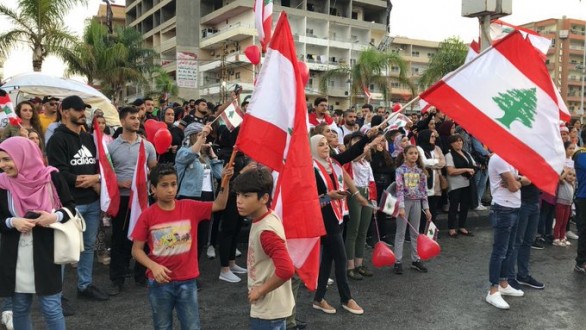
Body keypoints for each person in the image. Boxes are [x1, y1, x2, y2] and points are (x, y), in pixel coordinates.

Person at [131, 163, 231, 330]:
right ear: (153, 189)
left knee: (192, 326)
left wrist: (226, 182)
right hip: (159, 283)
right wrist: (153, 266)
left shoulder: (189, 207)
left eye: (173, 184)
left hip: (187, 281)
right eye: (164, 185)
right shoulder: (147, 215)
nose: (170, 189)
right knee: (162, 326)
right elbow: (136, 250)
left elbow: (219, 204)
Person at [0, 137, 76, 330]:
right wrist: (12, 221)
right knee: (20, 307)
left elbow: (70, 209)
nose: (3, 165)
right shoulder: (2, 184)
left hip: (47, 251)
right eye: (1, 160)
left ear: (23, 156)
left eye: (7, 159)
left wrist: (54, 217)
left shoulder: (52, 177)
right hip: (15, 255)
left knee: (51, 307)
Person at [46, 95, 110, 305]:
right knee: (64, 250)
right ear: (65, 112)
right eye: (78, 109)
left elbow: (99, 167)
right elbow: (57, 172)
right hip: (69, 204)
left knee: (89, 246)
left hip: (92, 201)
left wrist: (96, 179)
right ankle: (56, 294)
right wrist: (79, 180)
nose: (83, 113)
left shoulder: (89, 138)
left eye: (84, 109)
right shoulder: (57, 139)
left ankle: (85, 285)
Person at [231, 168, 295, 330]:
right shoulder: (267, 216)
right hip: (273, 308)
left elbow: (286, 269)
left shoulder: (265, 230)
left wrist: (260, 291)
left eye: (246, 196)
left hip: (268, 310)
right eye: (238, 195)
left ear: (264, 198)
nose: (239, 200)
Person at [310, 134, 365, 315]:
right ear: (312, 148)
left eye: (326, 144)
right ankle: (346, 298)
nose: (325, 147)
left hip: (338, 215)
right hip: (324, 219)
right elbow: (309, 201)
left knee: (328, 259)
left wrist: (367, 137)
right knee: (341, 259)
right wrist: (329, 196)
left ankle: (319, 298)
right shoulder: (310, 168)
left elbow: (352, 153)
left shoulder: (333, 162)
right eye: (320, 145)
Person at [107, 106, 158, 296]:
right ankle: (117, 279)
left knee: (142, 239)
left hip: (142, 201)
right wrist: (120, 183)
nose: (136, 121)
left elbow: (154, 170)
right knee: (119, 240)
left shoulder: (147, 146)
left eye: (138, 118)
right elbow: (106, 175)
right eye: (132, 118)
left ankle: (141, 275)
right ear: (122, 122)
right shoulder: (111, 147)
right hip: (121, 200)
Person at [175, 123, 224, 263]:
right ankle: (183, 268)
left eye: (203, 135)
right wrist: (202, 137)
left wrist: (213, 155)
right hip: (189, 197)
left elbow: (220, 175)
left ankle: (194, 268)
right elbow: (190, 154)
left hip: (207, 198)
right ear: (191, 137)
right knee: (187, 237)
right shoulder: (183, 152)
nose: (203, 138)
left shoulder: (205, 156)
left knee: (201, 237)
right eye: (199, 135)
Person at [485, 154, 528, 310]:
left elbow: (527, 180)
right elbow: (513, 187)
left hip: (514, 207)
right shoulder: (499, 158)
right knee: (499, 251)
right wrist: (518, 180)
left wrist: (517, 180)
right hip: (502, 208)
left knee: (509, 249)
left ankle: (503, 283)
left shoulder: (512, 158)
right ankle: (493, 290)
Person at [393, 145, 432, 275]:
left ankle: (415, 260)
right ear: (405, 155)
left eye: (416, 153)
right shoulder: (400, 170)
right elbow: (399, 189)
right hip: (404, 203)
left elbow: (423, 190)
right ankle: (397, 261)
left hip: (416, 203)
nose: (414, 155)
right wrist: (401, 207)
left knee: (415, 233)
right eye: (411, 153)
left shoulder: (420, 171)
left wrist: (426, 208)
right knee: (401, 233)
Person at [343, 133, 376, 280]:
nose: (358, 143)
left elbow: (372, 182)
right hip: (354, 193)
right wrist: (367, 144)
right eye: (355, 140)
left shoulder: (366, 162)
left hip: (367, 193)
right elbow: (354, 157)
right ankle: (350, 265)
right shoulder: (349, 160)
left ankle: (359, 263)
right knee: (353, 230)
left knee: (363, 230)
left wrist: (373, 199)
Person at [506, 181, 545, 290]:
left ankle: (523, 275)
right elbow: (517, 180)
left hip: (535, 202)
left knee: (528, 241)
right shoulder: (520, 164)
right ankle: (510, 277)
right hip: (522, 203)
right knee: (516, 241)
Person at [444, 134, 476, 237]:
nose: (459, 143)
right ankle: (451, 228)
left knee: (465, 206)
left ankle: (462, 226)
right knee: (453, 207)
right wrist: (466, 170)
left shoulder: (466, 153)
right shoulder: (449, 155)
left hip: (467, 183)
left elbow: (473, 165)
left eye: (460, 141)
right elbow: (450, 171)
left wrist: (473, 170)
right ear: (451, 144)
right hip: (455, 185)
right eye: (456, 141)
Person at [416, 129, 445, 233]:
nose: (434, 139)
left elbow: (443, 162)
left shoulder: (436, 148)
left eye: (434, 137)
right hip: (424, 183)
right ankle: (422, 232)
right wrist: (436, 162)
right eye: (431, 137)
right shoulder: (419, 148)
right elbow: (423, 162)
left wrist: (433, 163)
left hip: (436, 184)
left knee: (433, 210)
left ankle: (431, 233)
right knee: (424, 211)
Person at [553, 167, 575, 247]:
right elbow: (560, 178)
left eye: (573, 175)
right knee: (559, 222)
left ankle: (562, 237)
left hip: (568, 205)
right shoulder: (563, 182)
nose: (571, 176)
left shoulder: (572, 185)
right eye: (569, 174)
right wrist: (566, 171)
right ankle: (556, 238)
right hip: (561, 204)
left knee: (565, 222)